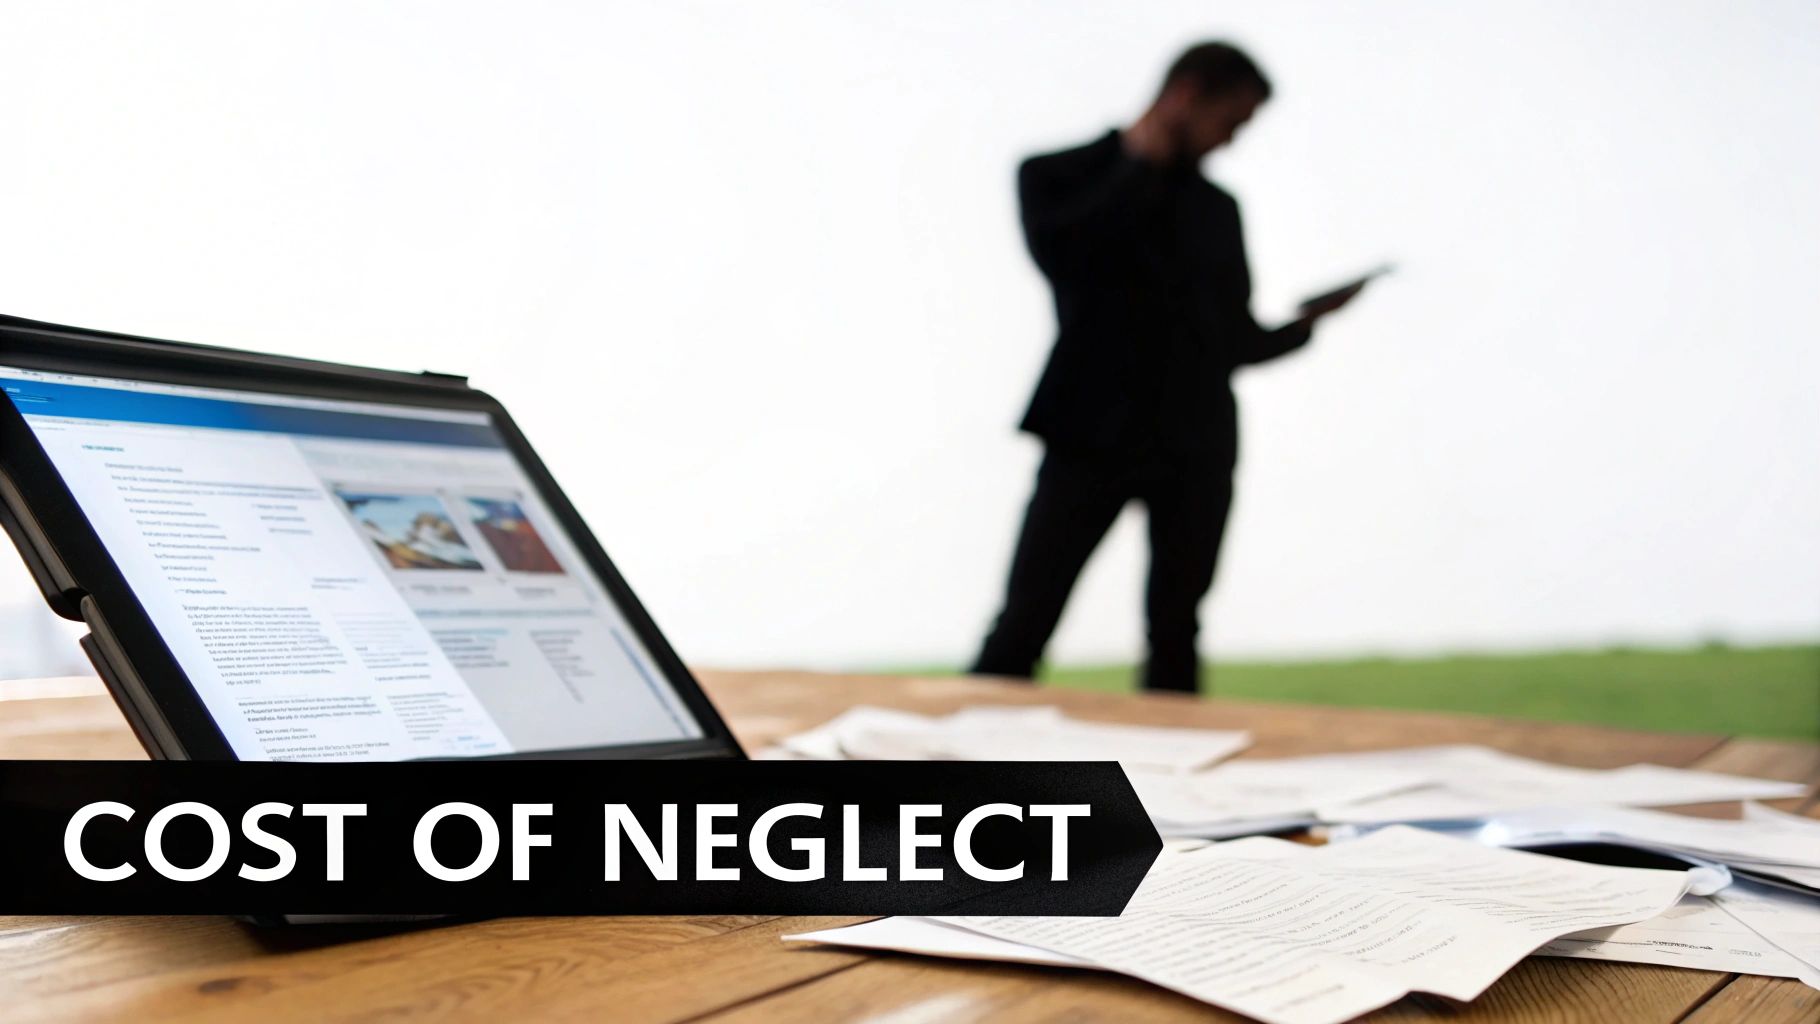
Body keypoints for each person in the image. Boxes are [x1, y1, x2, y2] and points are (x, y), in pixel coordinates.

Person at [971, 41, 1364, 693]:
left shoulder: (1217, 209)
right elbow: (1068, 260)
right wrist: (1139, 168)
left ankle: (1175, 762)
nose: (1231, 140)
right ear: (1185, 96)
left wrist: (1304, 325)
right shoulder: (1056, 173)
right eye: (1230, 121)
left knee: (1176, 633)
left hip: (1195, 443)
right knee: (1022, 623)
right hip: (1088, 433)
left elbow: (1231, 342)